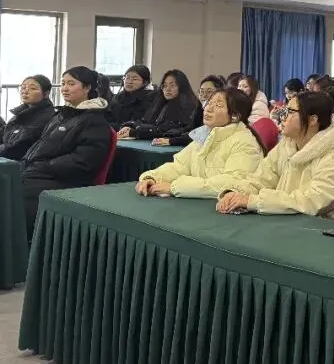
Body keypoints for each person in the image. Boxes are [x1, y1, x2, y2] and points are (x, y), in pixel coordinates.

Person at [216, 91, 334, 223]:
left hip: (330, 228)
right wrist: (234, 193)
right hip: (287, 221)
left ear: (312, 120)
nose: (282, 116)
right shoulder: (287, 145)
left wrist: (253, 201)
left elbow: (312, 202)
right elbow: (261, 178)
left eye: (290, 111)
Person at [20, 66, 112, 238]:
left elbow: (83, 161)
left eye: (71, 84)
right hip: (39, 172)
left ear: (87, 88)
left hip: (65, 180)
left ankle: (22, 244)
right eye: (63, 83)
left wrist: (44, 167)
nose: (64, 88)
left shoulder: (94, 121)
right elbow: (41, 146)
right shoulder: (61, 115)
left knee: (16, 192)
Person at [136, 89, 265, 199]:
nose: (208, 108)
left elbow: (232, 183)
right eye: (209, 102)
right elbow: (180, 166)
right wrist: (153, 178)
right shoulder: (205, 134)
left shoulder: (245, 143)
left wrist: (174, 187)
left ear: (235, 116)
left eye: (218, 105)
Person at [118, 70, 201, 144]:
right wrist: (130, 126)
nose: (167, 89)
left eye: (172, 85)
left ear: (182, 87)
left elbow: (164, 130)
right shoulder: (161, 103)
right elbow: (147, 122)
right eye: (164, 86)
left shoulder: (190, 106)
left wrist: (134, 132)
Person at [0, 75, 55, 162]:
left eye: (32, 88)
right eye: (23, 88)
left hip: (23, 163)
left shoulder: (46, 117)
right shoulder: (20, 113)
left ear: (45, 94)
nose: (25, 91)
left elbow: (19, 146)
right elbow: (4, 132)